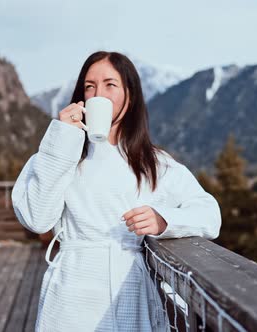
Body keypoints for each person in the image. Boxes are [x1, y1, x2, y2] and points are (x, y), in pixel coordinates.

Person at [12, 51, 222, 331]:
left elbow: (209, 214)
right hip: (73, 291)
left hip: (130, 289)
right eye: (90, 86)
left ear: (129, 96)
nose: (98, 94)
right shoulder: (60, 152)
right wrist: (63, 140)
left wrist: (164, 220)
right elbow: (36, 218)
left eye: (110, 85)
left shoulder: (154, 163)